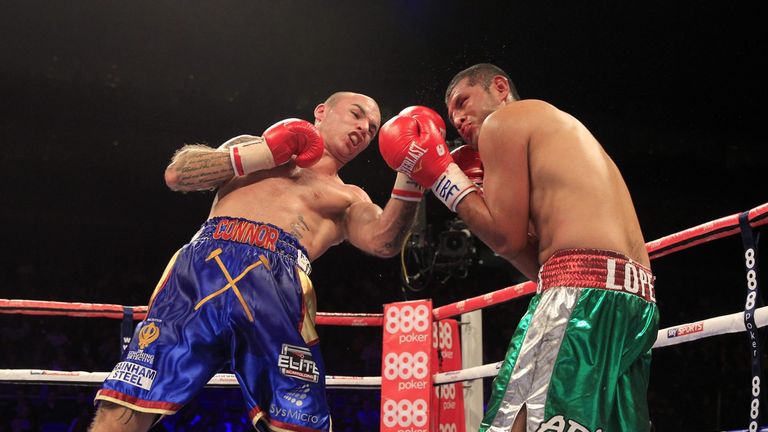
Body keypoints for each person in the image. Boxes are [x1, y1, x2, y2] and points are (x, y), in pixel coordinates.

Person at [89, 92, 426, 432]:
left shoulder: (350, 197)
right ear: (322, 111)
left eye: (372, 128)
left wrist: (412, 172)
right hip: (202, 268)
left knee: (297, 421)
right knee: (128, 401)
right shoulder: (252, 147)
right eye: (356, 115)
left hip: (277, 286)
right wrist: (265, 153)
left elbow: (384, 241)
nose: (364, 129)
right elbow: (178, 174)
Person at [378, 64, 658, 431]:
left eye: (463, 101)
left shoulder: (505, 121)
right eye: (452, 114)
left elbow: (505, 239)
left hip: (580, 298)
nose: (458, 119)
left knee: (518, 422)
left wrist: (444, 179)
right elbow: (542, 269)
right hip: (637, 301)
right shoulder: (556, 135)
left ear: (499, 87)